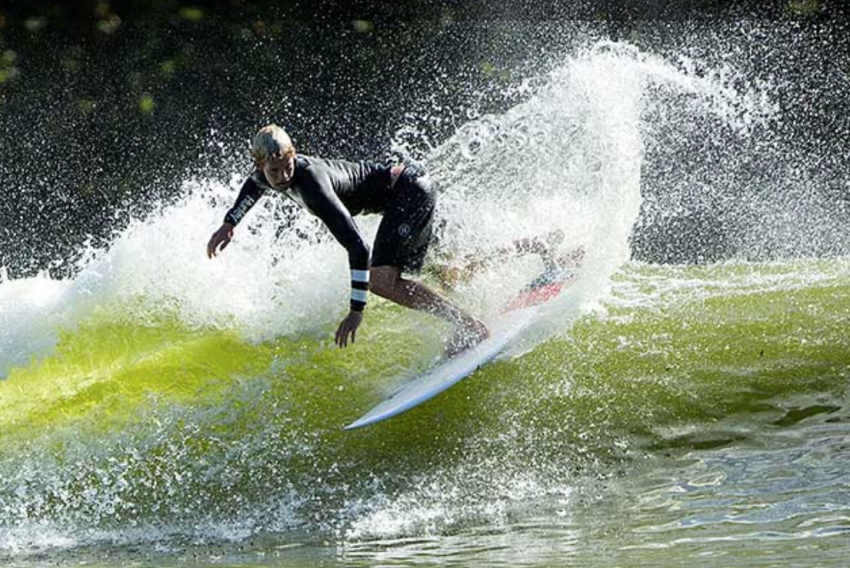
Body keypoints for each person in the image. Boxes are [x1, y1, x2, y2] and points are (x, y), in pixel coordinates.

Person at [207, 125, 489, 355]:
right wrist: (230, 222)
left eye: (287, 167)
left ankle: (469, 326)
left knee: (380, 280)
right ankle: (525, 247)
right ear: (260, 165)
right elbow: (255, 185)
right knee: (444, 269)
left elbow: (358, 247)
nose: (282, 177)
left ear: (293, 155)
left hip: (409, 192)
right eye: (274, 172)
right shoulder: (265, 174)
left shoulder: (313, 186)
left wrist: (356, 310)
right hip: (406, 191)